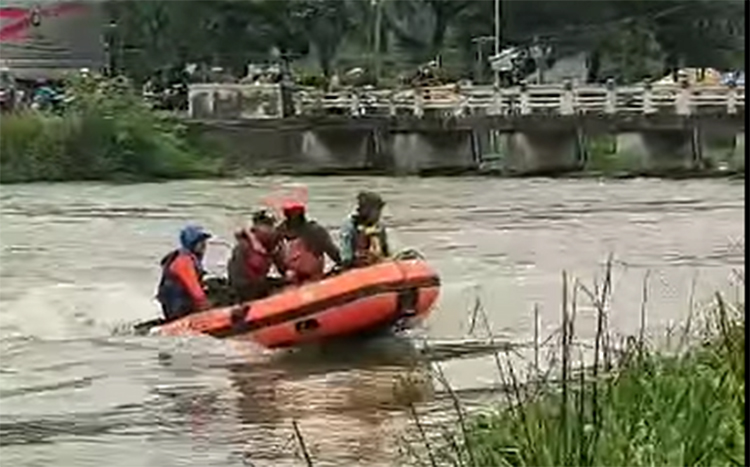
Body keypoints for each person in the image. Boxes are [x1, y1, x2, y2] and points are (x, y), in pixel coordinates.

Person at [227, 210, 286, 301]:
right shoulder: (244, 246)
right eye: (265, 225)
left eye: (270, 225)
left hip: (259, 284)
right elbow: (237, 278)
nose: (270, 229)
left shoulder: (272, 244)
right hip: (245, 287)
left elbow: (283, 268)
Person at [277, 201, 342, 284]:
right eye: (289, 213)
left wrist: (342, 263)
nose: (293, 216)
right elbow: (276, 257)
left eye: (294, 213)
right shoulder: (280, 231)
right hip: (291, 276)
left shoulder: (315, 231)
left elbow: (332, 251)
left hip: (313, 275)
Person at [156, 225, 212, 321]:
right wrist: (208, 310)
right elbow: (195, 291)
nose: (204, 245)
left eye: (204, 241)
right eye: (200, 242)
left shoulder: (186, 258)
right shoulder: (183, 262)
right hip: (179, 310)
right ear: (191, 243)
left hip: (180, 306)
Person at [340, 191, 390, 268]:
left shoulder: (379, 226)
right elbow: (346, 257)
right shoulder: (349, 226)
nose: (379, 215)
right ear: (365, 210)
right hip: (357, 267)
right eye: (376, 211)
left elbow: (386, 252)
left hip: (378, 265)